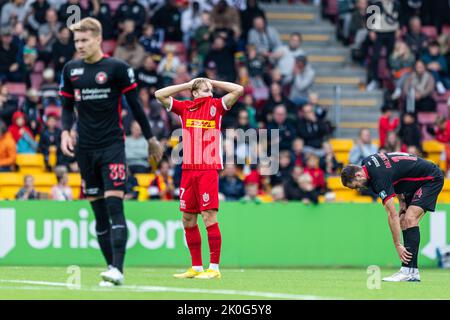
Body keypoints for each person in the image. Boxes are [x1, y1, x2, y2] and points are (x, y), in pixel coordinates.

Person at [59, 17, 163, 286]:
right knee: (99, 213)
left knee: (115, 205)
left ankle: (118, 268)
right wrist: (65, 131)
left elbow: (135, 106)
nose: (79, 45)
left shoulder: (117, 68)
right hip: (85, 150)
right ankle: (111, 268)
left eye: (84, 40)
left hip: (112, 146)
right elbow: (67, 107)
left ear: (98, 40)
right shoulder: (71, 70)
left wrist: (151, 138)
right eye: (76, 41)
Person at [155, 77, 244, 280]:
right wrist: (188, 85)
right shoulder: (185, 108)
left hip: (208, 168)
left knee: (208, 216)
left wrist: (211, 81)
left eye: (211, 90)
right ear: (195, 93)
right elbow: (159, 94)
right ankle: (196, 267)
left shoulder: (216, 106)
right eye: (205, 90)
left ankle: (214, 268)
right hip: (188, 169)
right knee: (187, 219)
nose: (210, 93)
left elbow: (238, 89)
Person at [341, 152, 444, 281]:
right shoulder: (368, 162)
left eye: (356, 185)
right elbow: (396, 175)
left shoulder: (378, 177)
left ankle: (410, 272)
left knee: (410, 218)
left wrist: (397, 244)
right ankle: (409, 271)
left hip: (431, 179)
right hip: (414, 181)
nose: (359, 189)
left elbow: (391, 214)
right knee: (403, 220)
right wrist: (401, 201)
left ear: (358, 174)